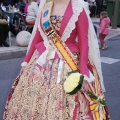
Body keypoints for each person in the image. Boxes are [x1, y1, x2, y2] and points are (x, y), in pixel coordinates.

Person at [3, 0, 110, 119]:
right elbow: (37, 37)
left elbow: (83, 41)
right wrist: (26, 62)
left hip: (68, 60)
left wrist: (84, 72)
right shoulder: (45, 7)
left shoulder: (78, 8)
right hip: (41, 60)